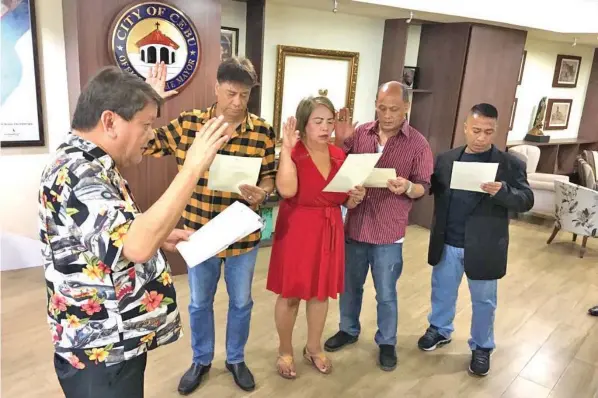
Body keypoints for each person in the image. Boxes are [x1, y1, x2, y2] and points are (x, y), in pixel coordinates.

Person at [39, 66, 229, 398]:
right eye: (146, 126)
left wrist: (160, 236)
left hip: (111, 343)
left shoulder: (89, 162)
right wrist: (194, 166)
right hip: (101, 349)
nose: (149, 136)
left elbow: (111, 234)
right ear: (109, 121)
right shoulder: (79, 172)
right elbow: (136, 246)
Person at [144, 57, 276, 394]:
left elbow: (270, 175)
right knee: (200, 302)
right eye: (231, 93)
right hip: (199, 234)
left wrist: (264, 192)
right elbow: (147, 143)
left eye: (244, 95)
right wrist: (150, 100)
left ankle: (235, 358)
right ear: (216, 87)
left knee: (242, 302)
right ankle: (201, 359)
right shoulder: (190, 124)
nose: (237, 102)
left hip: (242, 236)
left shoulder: (261, 130)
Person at [324, 81, 434, 371]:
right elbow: (338, 170)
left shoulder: (418, 144)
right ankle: (348, 329)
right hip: (356, 224)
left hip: (389, 231)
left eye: (394, 109)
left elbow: (425, 185)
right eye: (382, 108)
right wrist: (340, 146)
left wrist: (408, 186)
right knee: (350, 286)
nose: (387, 115)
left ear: (407, 108)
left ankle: (387, 341)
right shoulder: (361, 134)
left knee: (386, 292)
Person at [418, 103, 533, 377]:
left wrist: (503, 192)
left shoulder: (510, 164)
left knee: (484, 301)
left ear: (496, 131)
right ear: (466, 127)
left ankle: (482, 346)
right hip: (447, 241)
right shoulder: (446, 159)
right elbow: (429, 186)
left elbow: (527, 199)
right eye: (476, 130)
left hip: (484, 246)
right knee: (442, 291)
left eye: (488, 132)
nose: (481, 137)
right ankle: (439, 329)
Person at [267, 96, 366, 379]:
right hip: (297, 227)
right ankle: (285, 350)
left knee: (320, 293)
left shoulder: (339, 155)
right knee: (291, 294)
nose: (325, 128)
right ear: (303, 124)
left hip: (329, 227)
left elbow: (347, 199)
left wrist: (356, 197)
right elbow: (286, 190)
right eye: (318, 122)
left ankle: (313, 347)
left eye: (330, 121)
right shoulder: (294, 152)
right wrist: (285, 150)